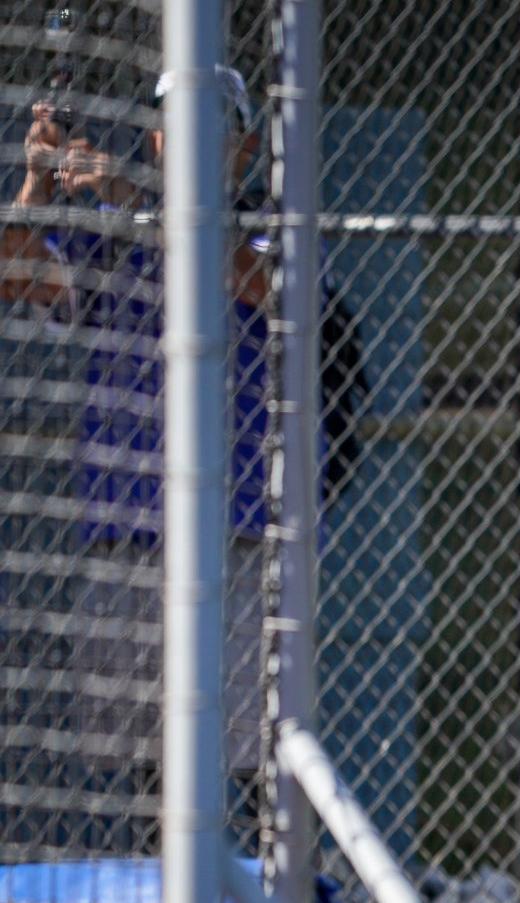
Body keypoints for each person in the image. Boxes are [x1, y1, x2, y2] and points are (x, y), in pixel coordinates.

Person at [3, 63, 353, 857]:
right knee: (134, 753)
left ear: (243, 146)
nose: (188, 143)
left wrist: (139, 201)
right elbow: (17, 270)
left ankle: (259, 873)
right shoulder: (113, 228)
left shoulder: (270, 222)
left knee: (244, 751)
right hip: (128, 530)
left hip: (240, 538)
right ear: (156, 137)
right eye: (173, 126)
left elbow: (257, 284)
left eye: (211, 129)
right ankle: (167, 873)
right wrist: (41, 182)